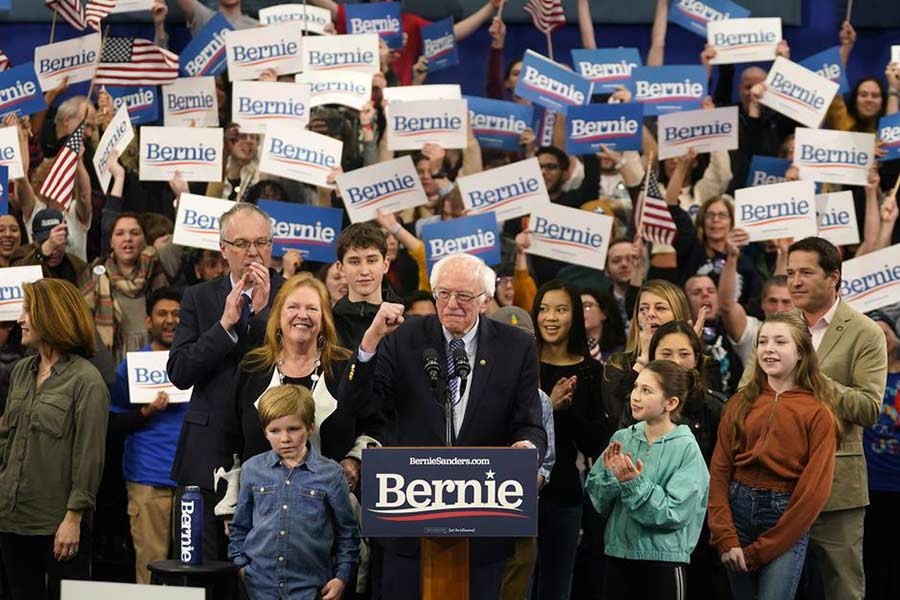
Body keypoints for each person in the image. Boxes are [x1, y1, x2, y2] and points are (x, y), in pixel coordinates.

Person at [337, 253, 546, 600]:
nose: (451, 304)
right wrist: (370, 340)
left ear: (484, 300)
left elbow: (529, 425)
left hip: (483, 524)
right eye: (443, 294)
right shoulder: (402, 338)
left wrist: (525, 450)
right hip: (407, 524)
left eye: (464, 296)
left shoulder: (516, 347)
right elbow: (356, 404)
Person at [739, 237, 887, 600]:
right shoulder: (775, 328)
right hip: (772, 487)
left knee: (842, 588)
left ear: (834, 277)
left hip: (836, 489)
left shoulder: (865, 333)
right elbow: (744, 396)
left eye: (806, 272)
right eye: (790, 273)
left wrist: (813, 376)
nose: (795, 282)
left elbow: (868, 409)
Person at [168, 202, 285, 561]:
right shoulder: (198, 298)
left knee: (258, 573)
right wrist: (223, 327)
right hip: (206, 456)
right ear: (223, 248)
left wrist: (264, 316)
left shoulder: (293, 294)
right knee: (199, 572)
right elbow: (180, 372)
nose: (253, 252)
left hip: (272, 452)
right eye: (242, 244)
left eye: (262, 243)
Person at [709, 313, 841, 599]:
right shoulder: (739, 403)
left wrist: (760, 551)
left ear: (801, 353)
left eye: (780, 341)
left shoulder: (818, 413)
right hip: (737, 511)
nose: (768, 348)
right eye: (763, 342)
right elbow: (719, 470)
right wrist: (725, 536)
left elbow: (813, 493)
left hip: (785, 518)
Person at [0, 279, 109, 600]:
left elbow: (90, 456)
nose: (20, 319)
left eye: (27, 311)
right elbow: (8, 439)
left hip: (57, 524)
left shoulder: (87, 381)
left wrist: (74, 518)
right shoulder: (20, 371)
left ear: (52, 315)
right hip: (10, 518)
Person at [230, 273, 380, 492]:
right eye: (293, 307)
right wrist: (230, 505)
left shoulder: (344, 365)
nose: (302, 315)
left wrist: (354, 461)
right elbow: (230, 438)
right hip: (261, 509)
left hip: (333, 504)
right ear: (278, 315)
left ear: (324, 318)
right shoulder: (252, 367)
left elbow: (373, 424)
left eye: (312, 308)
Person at [586, 360, 709, 599]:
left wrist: (633, 484)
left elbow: (674, 513)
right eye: (635, 387)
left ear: (671, 403)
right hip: (618, 556)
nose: (635, 396)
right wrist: (613, 478)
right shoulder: (623, 437)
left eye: (647, 390)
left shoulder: (686, 447)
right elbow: (598, 501)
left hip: (662, 562)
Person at [229, 385, 359, 600]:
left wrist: (341, 578)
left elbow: (347, 533)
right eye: (275, 431)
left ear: (310, 427)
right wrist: (241, 566)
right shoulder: (252, 469)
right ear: (264, 432)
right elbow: (240, 525)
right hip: (259, 586)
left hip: (311, 588)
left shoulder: (330, 473)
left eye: (293, 429)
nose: (285, 439)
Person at [530, 280, 605, 600]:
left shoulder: (590, 371)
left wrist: (566, 409)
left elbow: (594, 444)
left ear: (574, 316)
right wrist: (548, 402)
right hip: (516, 491)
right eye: (544, 309)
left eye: (561, 309)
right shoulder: (522, 364)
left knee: (556, 587)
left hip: (564, 493)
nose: (551, 317)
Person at [108, 287, 186, 584]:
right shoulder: (131, 366)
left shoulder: (198, 362)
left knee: (189, 569)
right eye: (162, 314)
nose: (170, 320)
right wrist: (146, 411)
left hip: (190, 481)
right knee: (150, 567)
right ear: (148, 321)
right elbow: (113, 424)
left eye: (177, 314)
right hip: (147, 479)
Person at [490, 306, 556, 600]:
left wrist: (529, 481)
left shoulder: (539, 399)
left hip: (518, 509)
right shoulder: (463, 387)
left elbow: (547, 461)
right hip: (471, 506)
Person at [80, 212, 180, 363]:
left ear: (145, 239)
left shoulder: (157, 264)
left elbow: (182, 237)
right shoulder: (95, 275)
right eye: (119, 233)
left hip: (155, 357)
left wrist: (181, 193)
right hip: (111, 359)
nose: (128, 238)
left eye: (135, 233)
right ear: (111, 242)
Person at [602, 279, 696, 438]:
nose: (650, 314)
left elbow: (698, 411)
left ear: (678, 313)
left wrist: (689, 357)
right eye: (643, 309)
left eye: (660, 308)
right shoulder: (618, 364)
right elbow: (617, 414)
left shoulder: (701, 361)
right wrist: (644, 360)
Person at [861, 311, 900, 599]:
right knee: (872, 561)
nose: (880, 338)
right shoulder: (859, 378)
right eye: (872, 332)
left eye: (884, 331)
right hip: (868, 487)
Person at [332, 223, 402, 352]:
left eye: (371, 260)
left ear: (386, 264)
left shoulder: (403, 323)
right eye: (354, 262)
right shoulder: (329, 325)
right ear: (340, 268)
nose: (364, 271)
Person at [12, 209, 86, 285]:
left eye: (58, 242)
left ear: (66, 239)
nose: (53, 251)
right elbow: (14, 276)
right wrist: (43, 252)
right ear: (33, 239)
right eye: (44, 241)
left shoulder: (77, 265)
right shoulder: (22, 255)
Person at [580, 287, 627, 363]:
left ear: (604, 313)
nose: (580, 312)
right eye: (577, 308)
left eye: (587, 306)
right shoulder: (571, 352)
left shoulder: (621, 353)